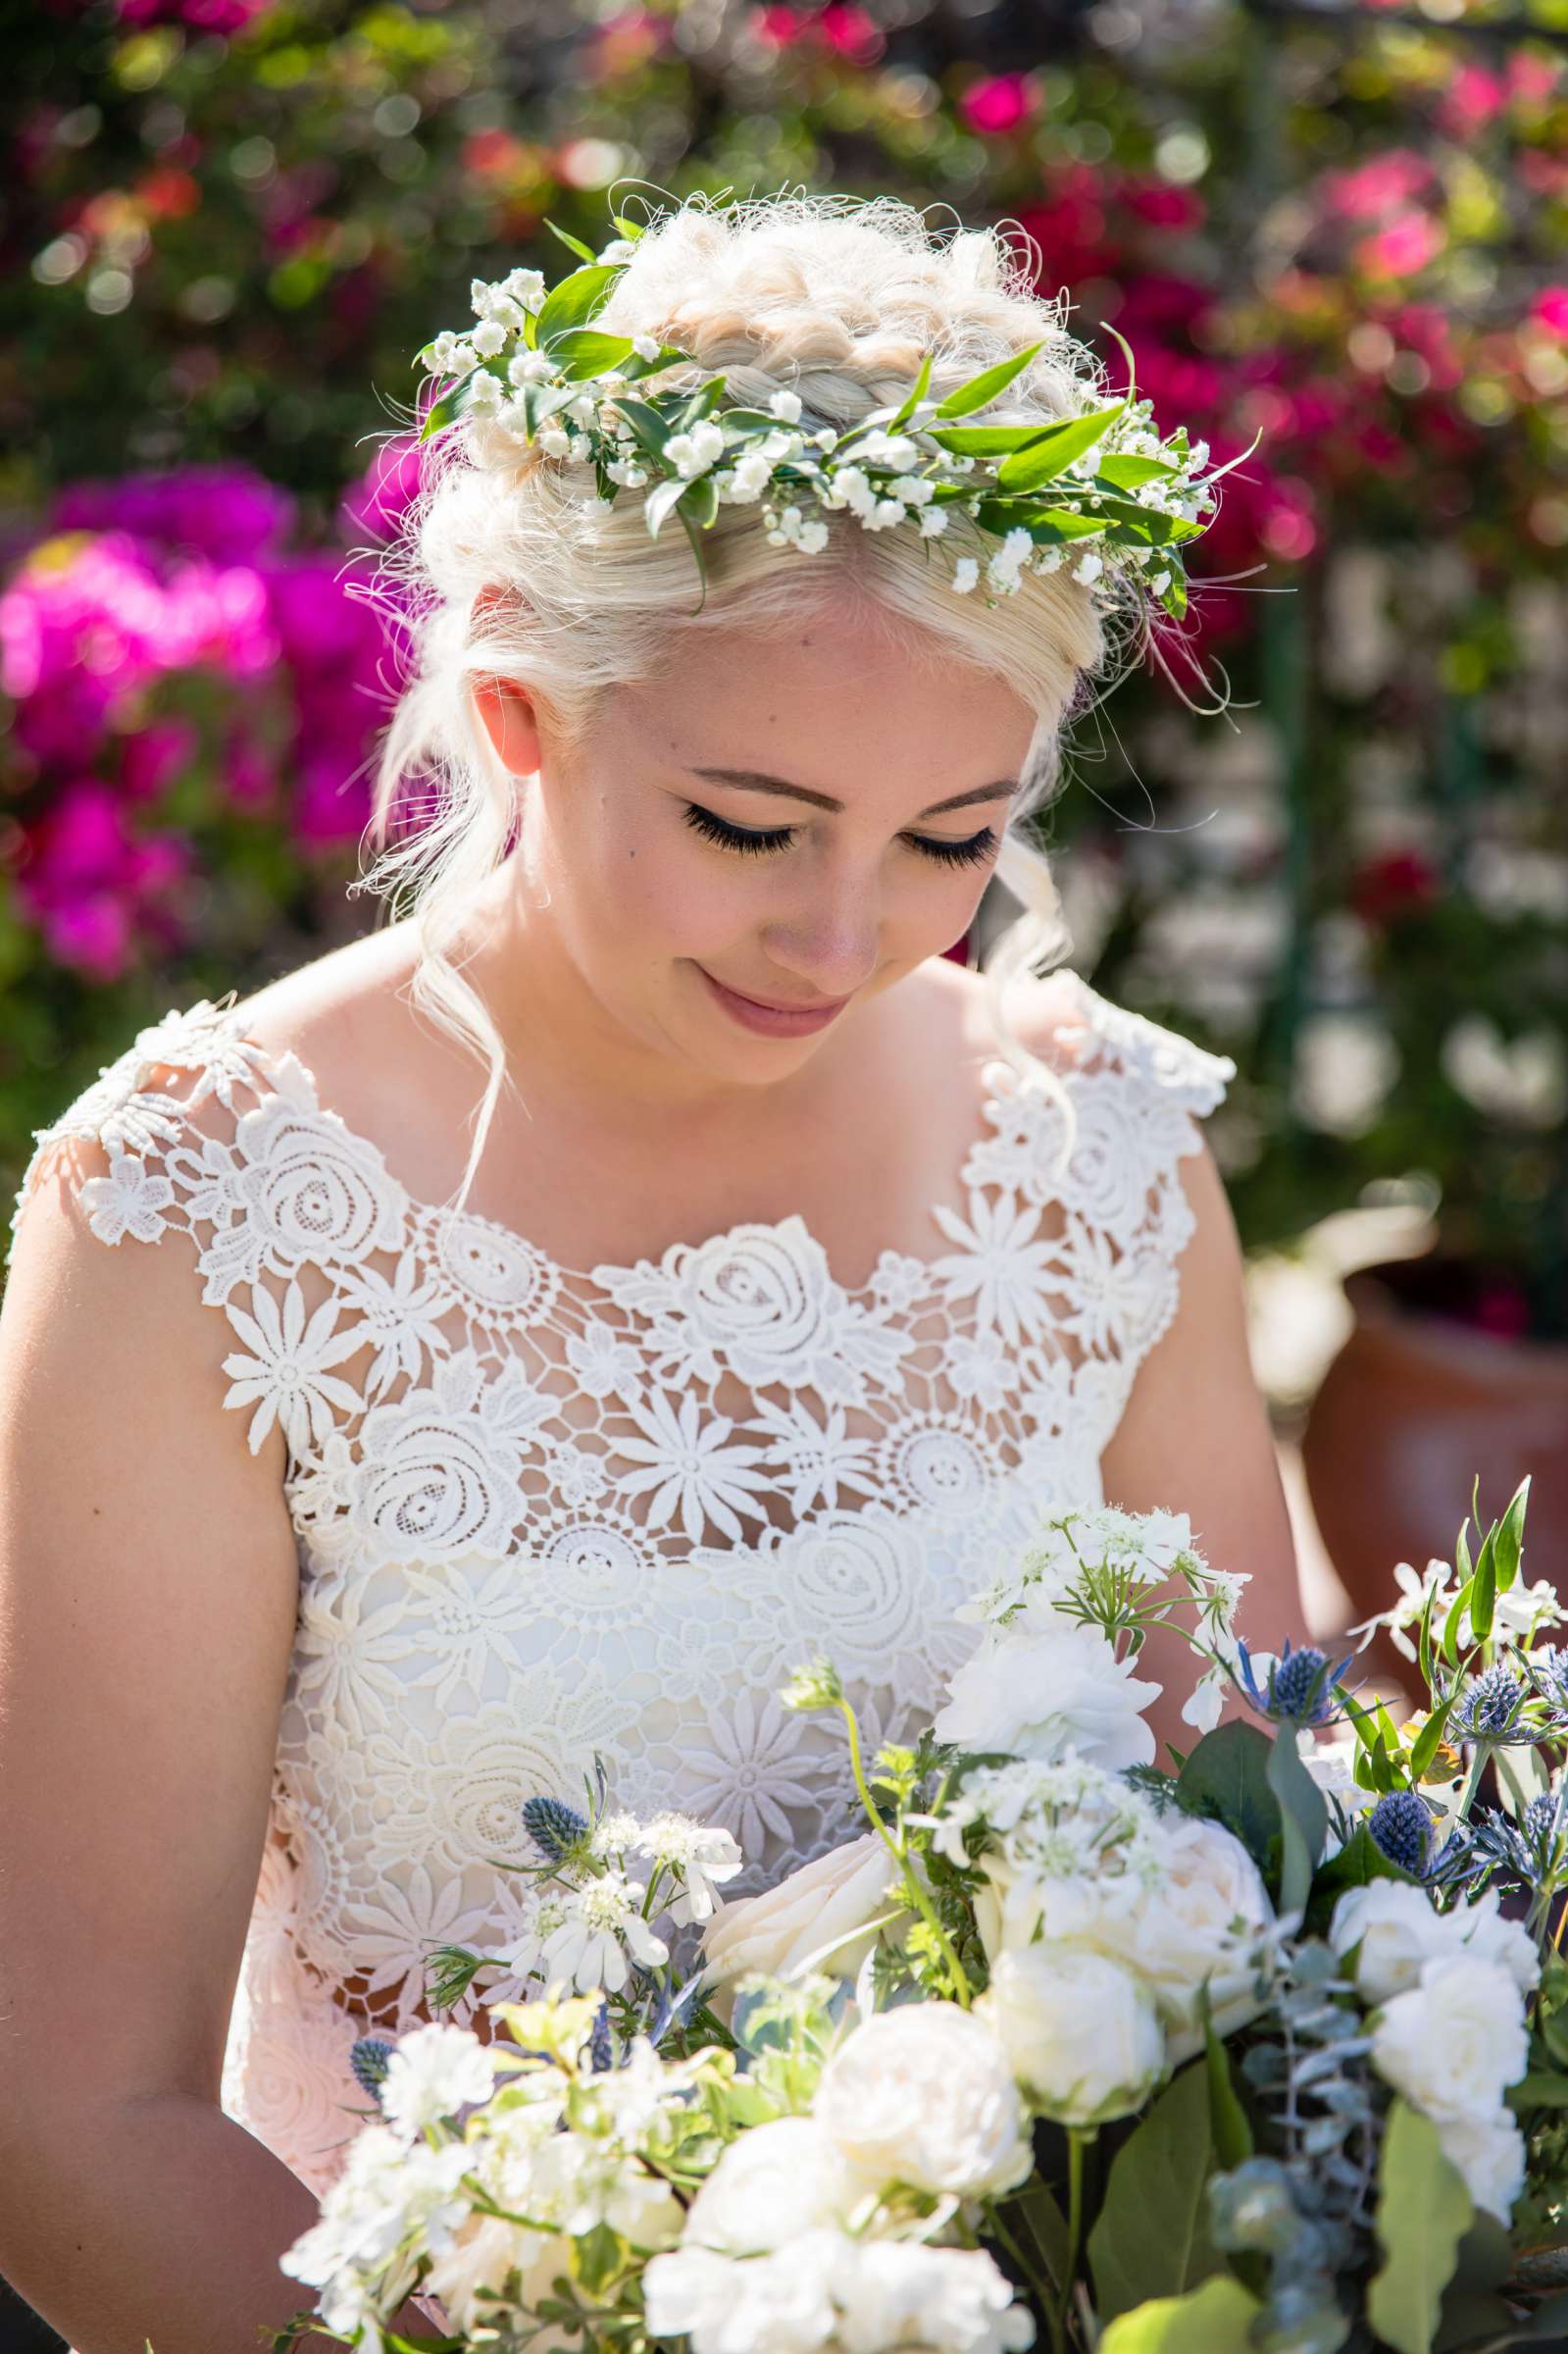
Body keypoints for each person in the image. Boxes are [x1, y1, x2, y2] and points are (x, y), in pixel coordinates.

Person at [0, 188, 1307, 2353]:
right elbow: (69, 2106)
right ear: (520, 700)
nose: (840, 937)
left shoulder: (1096, 1153)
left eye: (949, 837)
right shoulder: (202, 1212)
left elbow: (1249, 1875)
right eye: (745, 824)